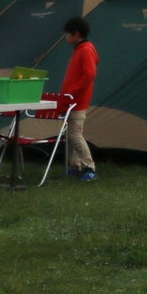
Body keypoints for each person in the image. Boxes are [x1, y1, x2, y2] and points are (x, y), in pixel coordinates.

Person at [59, 17, 98, 182]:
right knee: (71, 134)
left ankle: (89, 167)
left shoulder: (85, 50)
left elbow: (89, 74)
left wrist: (73, 91)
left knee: (75, 135)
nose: (66, 37)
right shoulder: (80, 49)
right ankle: (75, 166)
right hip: (71, 101)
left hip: (78, 101)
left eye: (67, 34)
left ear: (76, 34)